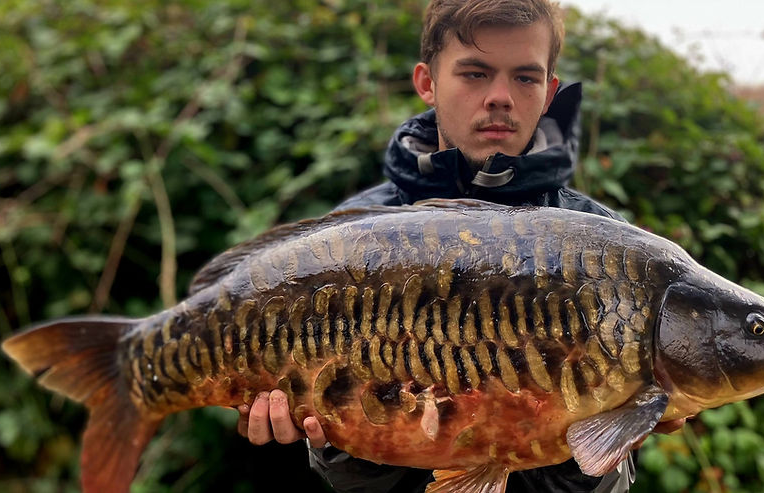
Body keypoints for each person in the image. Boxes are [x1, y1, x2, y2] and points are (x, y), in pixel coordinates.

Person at [237, 0, 685, 491]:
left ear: (550, 91)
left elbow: (612, 486)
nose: (500, 97)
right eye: (475, 73)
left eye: (525, 78)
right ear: (428, 82)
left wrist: (605, 437)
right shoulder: (351, 235)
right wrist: (338, 443)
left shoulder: (607, 247)